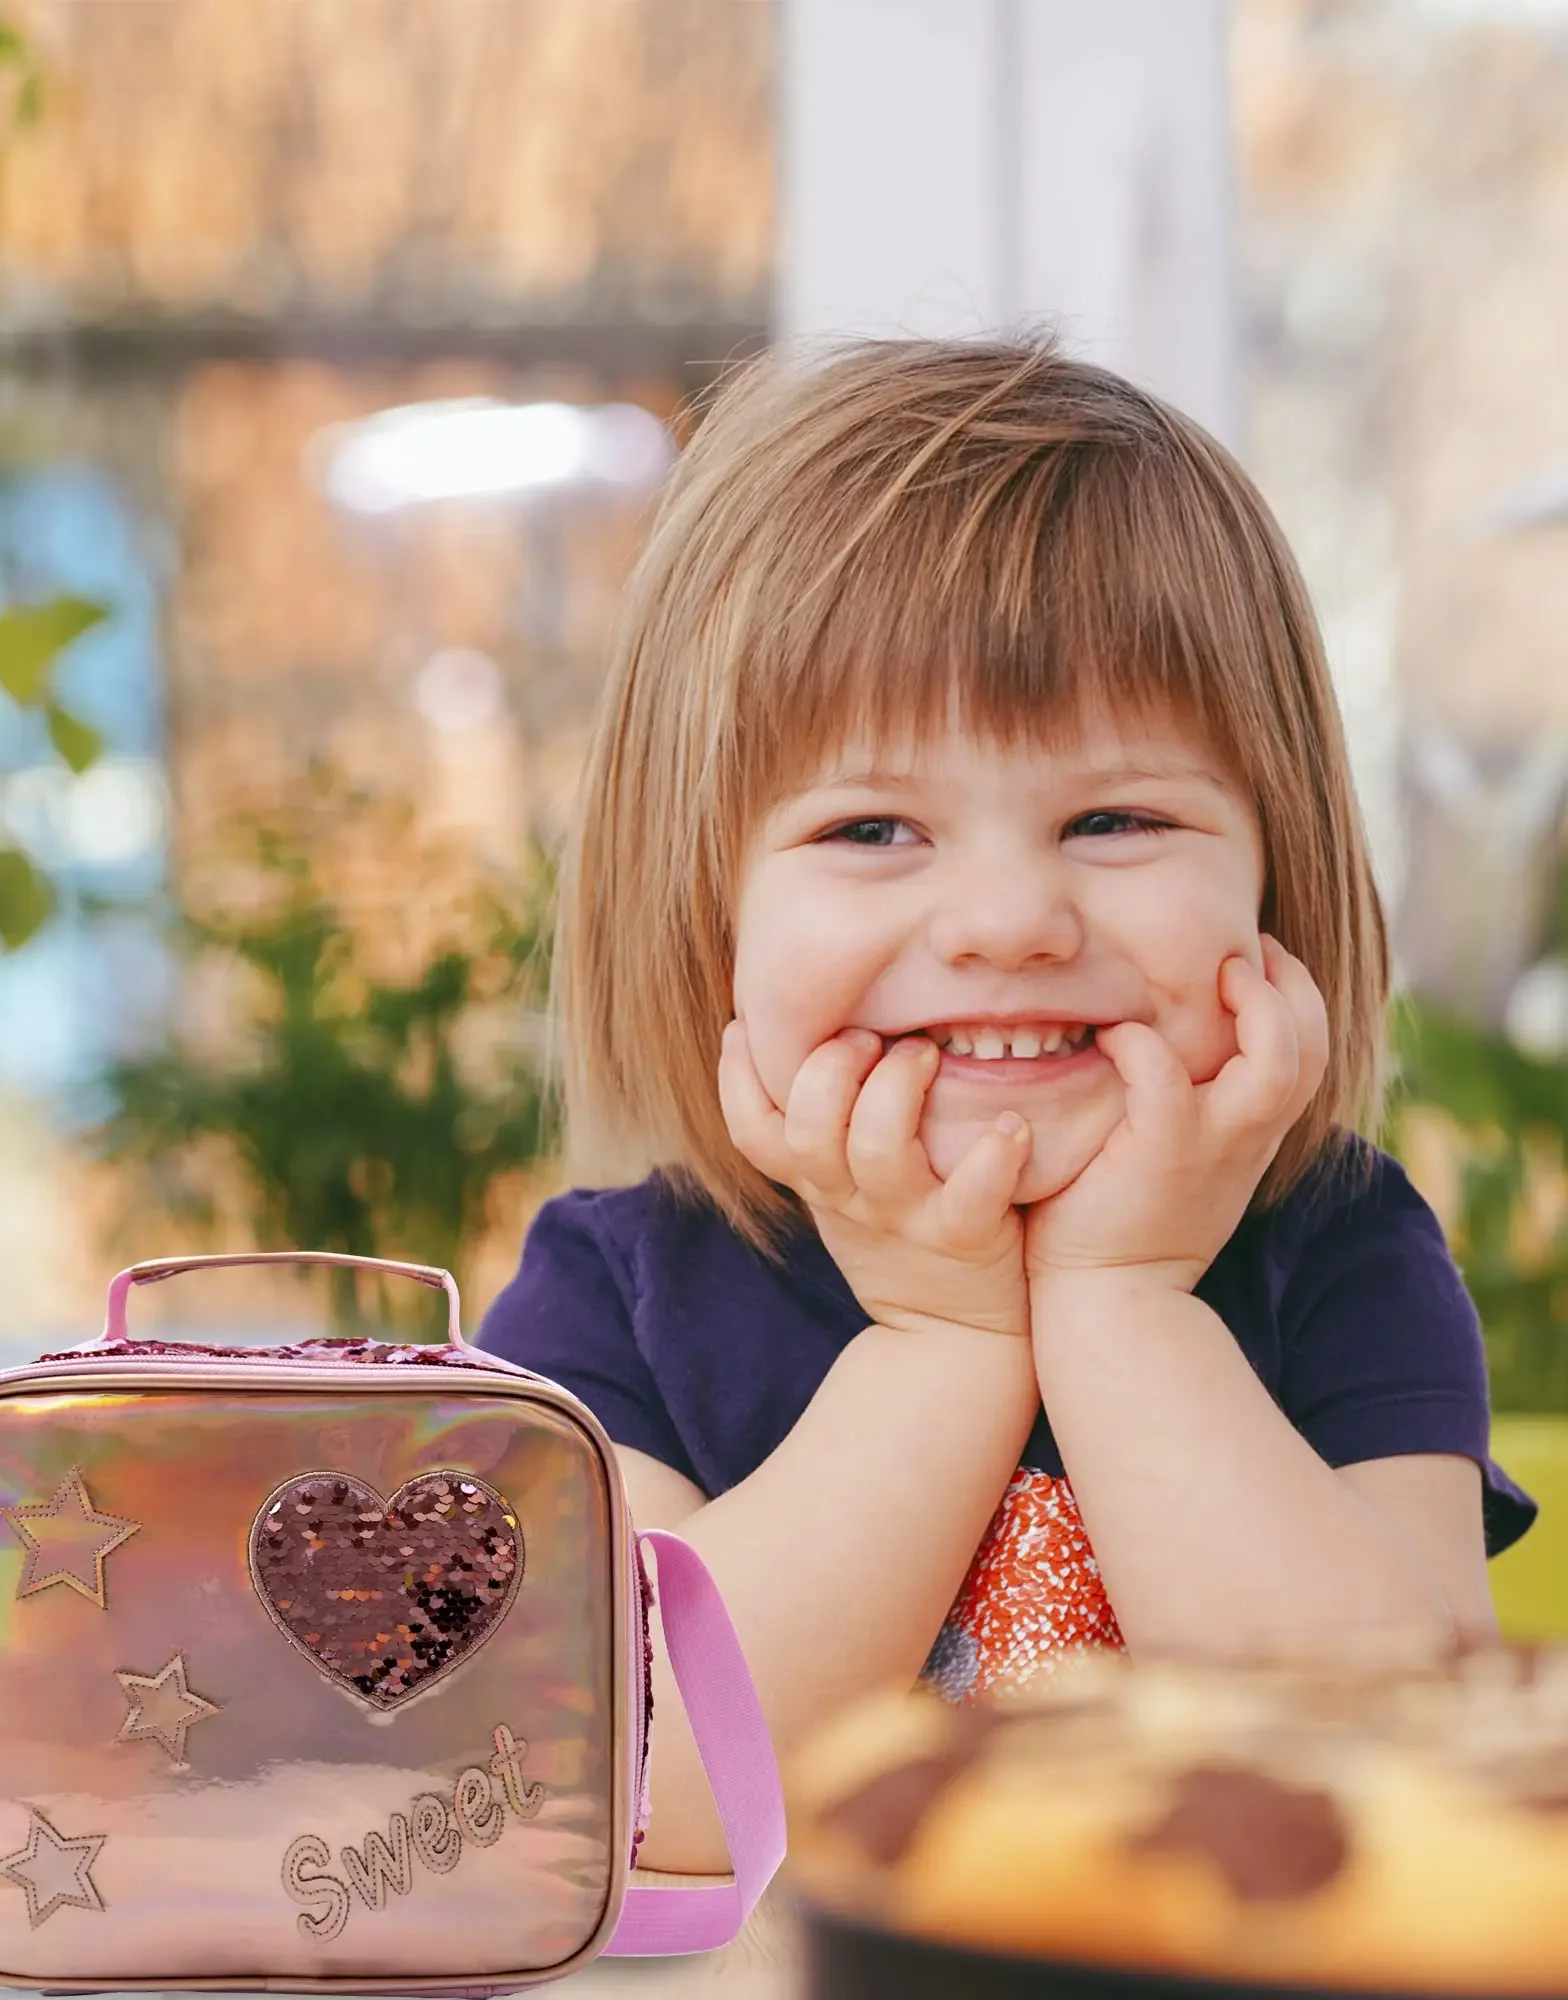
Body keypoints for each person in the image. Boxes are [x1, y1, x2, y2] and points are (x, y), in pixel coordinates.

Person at [473, 337, 1538, 1876]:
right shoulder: (617, 1294)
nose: (1007, 919)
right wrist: (946, 1343)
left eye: (1115, 817)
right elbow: (636, 1790)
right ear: (708, 915)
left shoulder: (1344, 1250)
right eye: (872, 826)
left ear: (1274, 878)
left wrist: (1121, 1308)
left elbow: (1399, 1770)